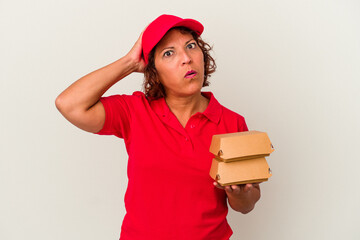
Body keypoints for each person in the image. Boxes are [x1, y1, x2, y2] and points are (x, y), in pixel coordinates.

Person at [55, 14, 261, 240]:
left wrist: (241, 195)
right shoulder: (134, 111)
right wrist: (129, 63)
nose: (186, 58)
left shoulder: (232, 122)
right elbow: (69, 104)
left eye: (191, 46)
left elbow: (245, 205)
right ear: (154, 71)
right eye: (169, 53)